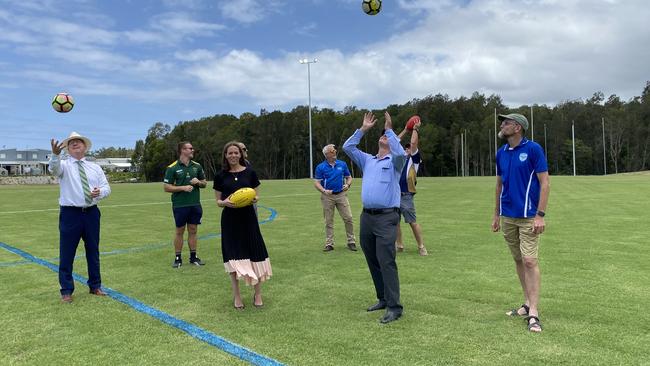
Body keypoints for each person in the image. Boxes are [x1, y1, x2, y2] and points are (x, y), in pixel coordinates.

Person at [343, 112, 407, 324]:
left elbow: (401, 153)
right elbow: (348, 148)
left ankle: (394, 307)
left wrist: (390, 129)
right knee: (373, 260)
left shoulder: (396, 161)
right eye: (382, 135)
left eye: (387, 136)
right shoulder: (368, 160)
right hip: (367, 217)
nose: (384, 137)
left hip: (387, 217)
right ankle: (382, 298)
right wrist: (363, 129)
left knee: (386, 260)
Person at [491, 113, 550, 333]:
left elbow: (545, 183)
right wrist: (496, 215)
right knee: (518, 259)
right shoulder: (501, 153)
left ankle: (533, 312)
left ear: (517, 127)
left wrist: (540, 214)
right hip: (508, 216)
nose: (502, 125)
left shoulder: (533, 149)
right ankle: (526, 304)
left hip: (529, 216)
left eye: (506, 123)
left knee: (529, 261)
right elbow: (499, 186)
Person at [49, 132, 111, 303]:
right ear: (67, 149)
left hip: (91, 213)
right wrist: (55, 155)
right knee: (67, 253)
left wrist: (100, 192)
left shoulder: (95, 167)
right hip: (70, 214)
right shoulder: (63, 165)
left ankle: (95, 286)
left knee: (93, 250)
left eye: (78, 142)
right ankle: (66, 290)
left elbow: (107, 188)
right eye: (71, 143)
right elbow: (53, 169)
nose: (75, 144)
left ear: (85, 147)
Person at [213, 141, 272, 310]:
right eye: (230, 153)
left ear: (241, 154)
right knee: (233, 257)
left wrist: (255, 199)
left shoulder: (250, 172)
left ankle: (258, 293)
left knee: (255, 254)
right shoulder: (220, 176)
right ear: (225, 155)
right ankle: (237, 296)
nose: (233, 156)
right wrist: (224, 202)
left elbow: (256, 195)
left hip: (248, 219)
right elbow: (218, 201)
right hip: (230, 220)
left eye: (236, 153)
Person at [163, 141, 207, 268]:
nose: (193, 150)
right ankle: (178, 258)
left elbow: (204, 183)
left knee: (193, 230)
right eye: (190, 148)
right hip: (180, 205)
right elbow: (166, 187)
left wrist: (198, 182)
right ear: (182, 150)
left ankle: (193, 257)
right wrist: (182, 188)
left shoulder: (197, 166)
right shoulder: (172, 168)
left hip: (195, 204)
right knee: (179, 231)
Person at [314, 144, 357, 252]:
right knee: (328, 221)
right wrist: (324, 190)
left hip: (341, 195)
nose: (335, 152)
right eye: (332, 151)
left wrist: (347, 185)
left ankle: (351, 241)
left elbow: (349, 177)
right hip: (327, 197)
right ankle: (329, 244)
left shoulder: (342, 164)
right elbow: (317, 182)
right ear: (327, 154)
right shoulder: (320, 167)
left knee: (348, 218)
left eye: (334, 150)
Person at [395, 118, 428, 256]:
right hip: (394, 194)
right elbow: (393, 142)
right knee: (394, 222)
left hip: (406, 195)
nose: (408, 148)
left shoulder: (414, 160)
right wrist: (405, 130)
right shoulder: (398, 158)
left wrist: (415, 128)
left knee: (412, 222)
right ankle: (399, 245)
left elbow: (414, 143)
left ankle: (421, 246)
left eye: (410, 148)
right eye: (406, 147)